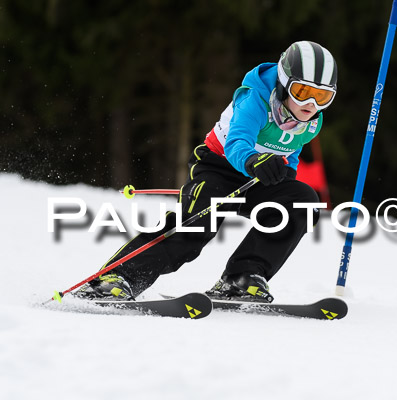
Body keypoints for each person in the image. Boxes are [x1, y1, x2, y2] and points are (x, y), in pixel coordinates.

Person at [75, 41, 338, 303]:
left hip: (257, 178)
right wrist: (254, 161)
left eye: (323, 96)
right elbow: (237, 142)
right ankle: (117, 277)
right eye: (302, 91)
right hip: (219, 168)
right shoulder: (255, 100)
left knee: (302, 201)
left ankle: (242, 277)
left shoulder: (312, 121)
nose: (312, 103)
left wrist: (283, 175)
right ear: (282, 82)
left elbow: (289, 152)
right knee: (196, 225)